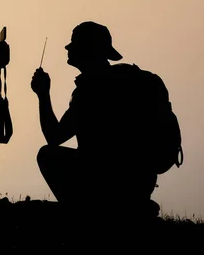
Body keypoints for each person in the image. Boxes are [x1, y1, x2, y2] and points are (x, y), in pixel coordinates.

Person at [31, 21, 161, 219]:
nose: (69, 49)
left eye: (74, 45)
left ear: (87, 50)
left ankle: (82, 214)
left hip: (105, 179)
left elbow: (54, 137)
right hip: (139, 183)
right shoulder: (123, 81)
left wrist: (43, 94)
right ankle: (133, 206)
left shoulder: (92, 89)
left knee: (47, 155)